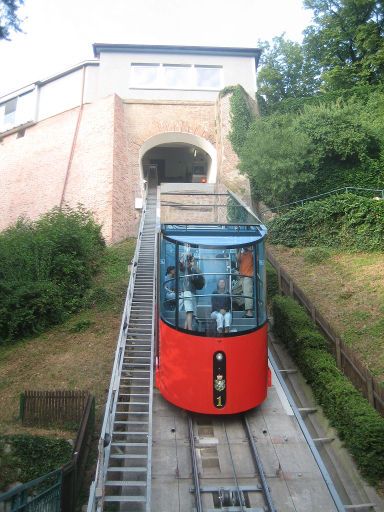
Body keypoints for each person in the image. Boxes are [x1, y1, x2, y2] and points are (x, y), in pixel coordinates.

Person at [180, 254, 201, 330]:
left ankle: (185, 328)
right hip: (187, 291)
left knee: (191, 313)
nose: (192, 261)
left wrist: (194, 265)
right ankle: (190, 329)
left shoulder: (194, 269)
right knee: (189, 311)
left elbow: (199, 278)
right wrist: (183, 257)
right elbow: (181, 266)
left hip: (193, 291)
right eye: (191, 260)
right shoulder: (186, 268)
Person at [236, 246, 254, 318]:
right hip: (241, 277)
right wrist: (240, 248)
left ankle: (249, 312)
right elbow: (237, 259)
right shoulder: (242, 254)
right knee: (234, 292)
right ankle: (244, 305)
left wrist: (249, 249)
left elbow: (257, 261)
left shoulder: (252, 253)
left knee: (247, 293)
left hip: (248, 276)